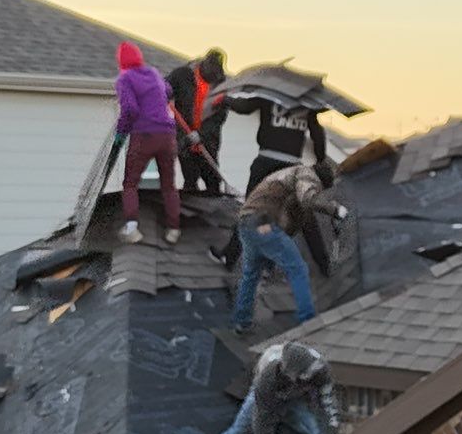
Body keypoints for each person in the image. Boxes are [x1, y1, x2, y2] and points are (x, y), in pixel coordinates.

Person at [183, 342, 340, 434]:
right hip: (264, 400)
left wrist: (332, 422)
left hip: (294, 398)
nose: (310, 376)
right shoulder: (268, 378)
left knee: (317, 432)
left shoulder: (319, 369)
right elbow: (262, 421)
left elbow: (327, 398)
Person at [230, 160, 340, 336]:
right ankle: (308, 321)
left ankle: (242, 321)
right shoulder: (306, 174)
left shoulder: (289, 178)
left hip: (247, 224)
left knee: (251, 274)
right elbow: (308, 198)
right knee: (298, 269)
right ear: (320, 180)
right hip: (262, 224)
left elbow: (289, 222)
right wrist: (334, 210)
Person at [114, 41, 182, 245]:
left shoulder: (124, 80)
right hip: (168, 135)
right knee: (169, 185)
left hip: (144, 136)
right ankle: (173, 229)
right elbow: (168, 90)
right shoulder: (153, 73)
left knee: (130, 183)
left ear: (121, 62)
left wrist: (121, 133)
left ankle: (132, 229)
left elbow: (130, 110)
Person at [167, 49, 229, 195]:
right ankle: (189, 214)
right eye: (211, 74)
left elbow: (218, 118)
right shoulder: (183, 75)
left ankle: (213, 213)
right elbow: (164, 86)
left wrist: (201, 134)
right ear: (203, 66)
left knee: (213, 182)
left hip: (208, 143)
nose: (213, 77)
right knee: (190, 181)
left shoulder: (222, 85)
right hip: (185, 140)